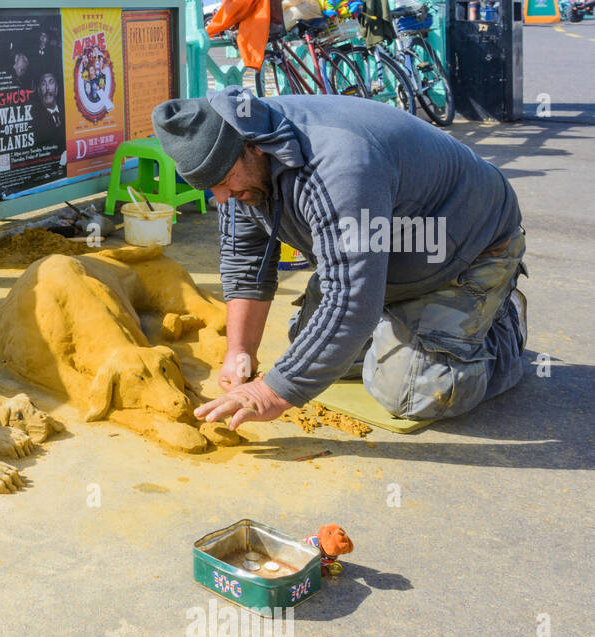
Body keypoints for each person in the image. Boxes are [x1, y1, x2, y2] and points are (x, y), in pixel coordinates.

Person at [152, 88, 527, 428]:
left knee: (411, 390)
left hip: (465, 250)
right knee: (308, 346)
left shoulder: (338, 166)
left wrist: (269, 394)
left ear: (254, 146)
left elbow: (351, 301)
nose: (220, 197)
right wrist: (240, 352)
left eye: (225, 180)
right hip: (389, 255)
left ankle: (499, 329)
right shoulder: (238, 168)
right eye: (210, 187)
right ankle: (414, 324)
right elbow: (245, 260)